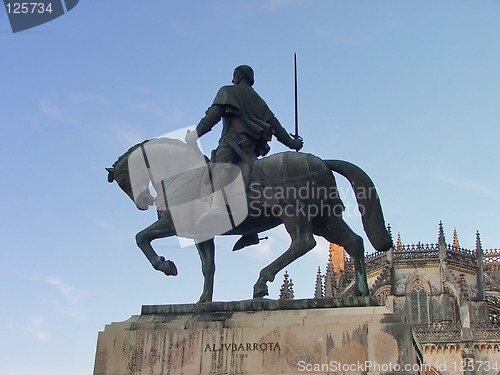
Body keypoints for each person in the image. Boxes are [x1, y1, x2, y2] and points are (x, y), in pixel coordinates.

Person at [186, 65, 303, 243]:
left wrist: (195, 134)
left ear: (238, 76)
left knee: (220, 167)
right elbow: (275, 125)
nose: (233, 79)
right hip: (251, 150)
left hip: (232, 145)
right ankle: (250, 231)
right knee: (249, 183)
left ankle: (218, 208)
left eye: (234, 76)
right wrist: (291, 142)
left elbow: (213, 115)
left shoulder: (228, 91)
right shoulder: (258, 99)